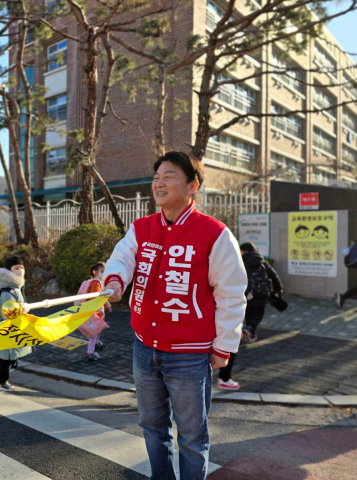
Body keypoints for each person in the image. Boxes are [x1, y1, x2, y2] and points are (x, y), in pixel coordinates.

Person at [103, 152, 247, 480]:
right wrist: (113, 283)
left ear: (192, 185)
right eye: (156, 177)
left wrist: (224, 345)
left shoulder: (214, 233)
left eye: (169, 176)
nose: (159, 182)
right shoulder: (142, 228)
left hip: (189, 355)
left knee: (193, 438)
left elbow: (231, 293)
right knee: (152, 428)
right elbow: (122, 259)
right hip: (144, 348)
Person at [218, 242, 283, 391]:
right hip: (262, 294)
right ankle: (250, 328)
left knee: (245, 316)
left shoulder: (239, 261)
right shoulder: (262, 260)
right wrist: (279, 287)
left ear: (244, 250)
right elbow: (273, 274)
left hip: (246, 296)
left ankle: (224, 375)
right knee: (257, 314)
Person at [0, 256, 32, 392]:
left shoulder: (6, 286)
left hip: (2, 329)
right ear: (9, 271)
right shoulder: (10, 290)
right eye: (16, 268)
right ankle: (0, 382)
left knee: (5, 356)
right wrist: (24, 309)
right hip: (9, 329)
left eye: (22, 267)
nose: (20, 270)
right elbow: (7, 313)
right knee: (9, 357)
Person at [75, 262, 111, 361]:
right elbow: (95, 298)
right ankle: (90, 353)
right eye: (102, 271)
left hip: (95, 312)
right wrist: (100, 309)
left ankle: (96, 343)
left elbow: (103, 296)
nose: (104, 274)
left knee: (99, 329)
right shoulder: (96, 283)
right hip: (94, 312)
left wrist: (108, 305)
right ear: (95, 272)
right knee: (94, 332)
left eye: (105, 271)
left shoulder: (97, 282)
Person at [335, 242, 357, 309]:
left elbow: (345, 251)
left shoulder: (354, 242)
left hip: (350, 261)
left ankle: (342, 297)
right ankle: (342, 297)